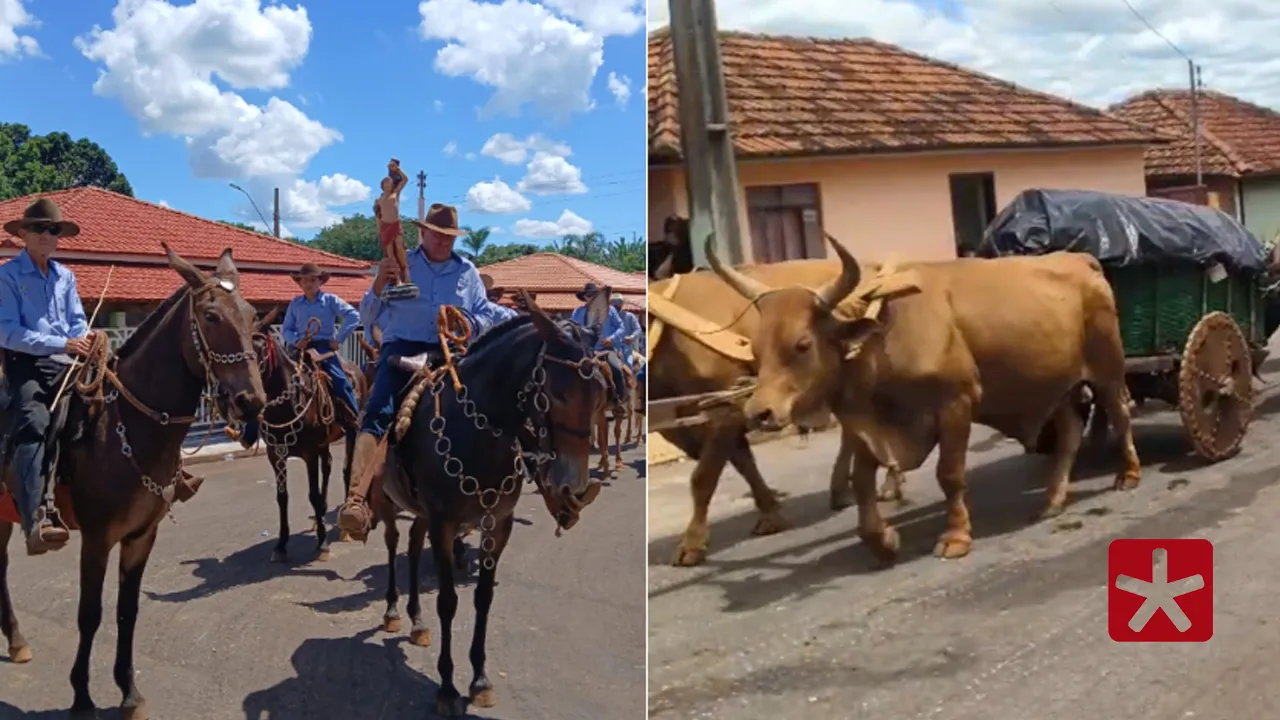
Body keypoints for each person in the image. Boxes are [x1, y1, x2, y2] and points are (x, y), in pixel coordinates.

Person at [337, 203, 506, 541]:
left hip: (451, 351)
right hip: (402, 350)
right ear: (423, 233)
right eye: (438, 235)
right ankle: (357, 499)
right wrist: (379, 282)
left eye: (449, 237)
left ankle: (502, 485)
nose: (444, 242)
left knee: (494, 406)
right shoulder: (400, 264)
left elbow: (485, 312)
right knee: (379, 409)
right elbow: (367, 316)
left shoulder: (467, 271)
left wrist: (470, 321)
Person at [0, 198, 93, 555]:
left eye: (52, 229)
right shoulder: (7, 276)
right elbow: (7, 331)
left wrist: (84, 339)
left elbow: (77, 321)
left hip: (69, 362)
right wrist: (62, 343)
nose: (46, 234)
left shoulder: (65, 276)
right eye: (38, 228)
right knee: (34, 422)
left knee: (115, 400)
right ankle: (34, 519)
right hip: (27, 364)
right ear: (23, 233)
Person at [238, 263, 362, 448]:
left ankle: (355, 423)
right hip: (298, 349)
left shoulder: (330, 300)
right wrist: (297, 340)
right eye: (304, 281)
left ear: (320, 281)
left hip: (323, 348)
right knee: (269, 380)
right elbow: (287, 329)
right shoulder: (296, 303)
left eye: (312, 280)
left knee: (340, 381)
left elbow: (353, 315)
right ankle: (249, 433)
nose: (308, 284)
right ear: (300, 283)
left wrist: (339, 339)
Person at [570, 283, 628, 404]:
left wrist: (611, 339)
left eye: (594, 295)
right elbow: (572, 329)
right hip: (584, 350)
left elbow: (621, 328)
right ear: (584, 297)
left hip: (605, 349)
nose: (591, 297)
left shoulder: (610, 310)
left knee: (617, 369)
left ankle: (619, 400)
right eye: (588, 295)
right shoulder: (577, 312)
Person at [374, 158, 413, 298]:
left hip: (395, 224)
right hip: (385, 226)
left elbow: (405, 179)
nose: (388, 184)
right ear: (382, 185)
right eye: (386, 183)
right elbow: (377, 216)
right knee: (390, 254)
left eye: (390, 182)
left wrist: (396, 169)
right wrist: (379, 230)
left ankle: (406, 276)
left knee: (400, 249)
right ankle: (395, 278)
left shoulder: (395, 194)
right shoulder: (379, 200)